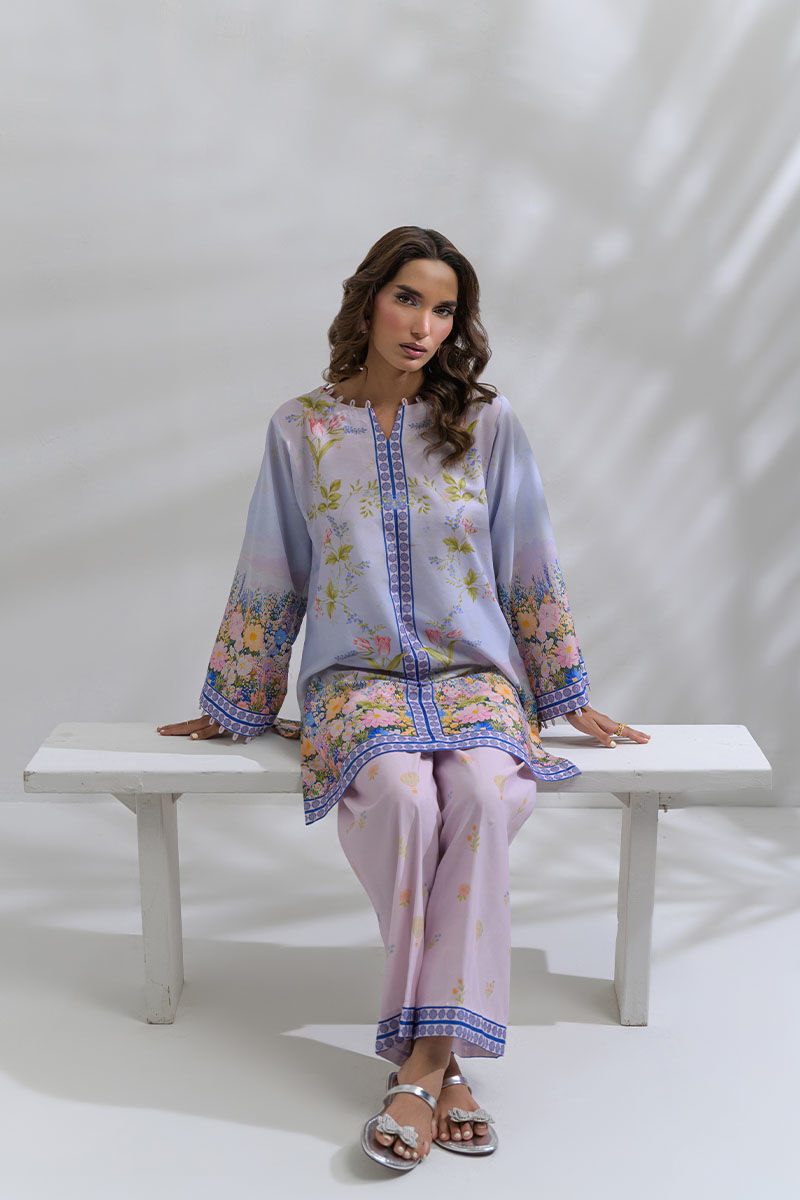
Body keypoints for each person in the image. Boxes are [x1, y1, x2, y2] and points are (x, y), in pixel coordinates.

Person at [157, 225, 650, 1171]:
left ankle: (420, 1064)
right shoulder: (302, 429)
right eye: (408, 300)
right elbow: (274, 566)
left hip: (476, 675)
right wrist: (239, 699)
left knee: (483, 793)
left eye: (445, 309)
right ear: (369, 301)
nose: (425, 326)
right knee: (401, 798)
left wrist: (563, 689)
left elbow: (527, 557)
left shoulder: (487, 425)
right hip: (357, 681)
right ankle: (445, 1064)